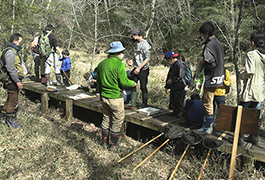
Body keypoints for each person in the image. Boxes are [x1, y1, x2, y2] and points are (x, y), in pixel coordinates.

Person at [96, 41, 137, 151]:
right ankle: (114, 146)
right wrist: (133, 83)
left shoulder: (101, 64)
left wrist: (100, 93)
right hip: (115, 97)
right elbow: (124, 82)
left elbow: (98, 81)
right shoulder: (119, 65)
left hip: (104, 96)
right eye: (122, 52)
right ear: (118, 53)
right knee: (117, 120)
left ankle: (104, 143)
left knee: (106, 118)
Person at [195, 21, 225, 135]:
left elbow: (210, 62)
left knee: (207, 102)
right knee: (211, 101)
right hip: (219, 77)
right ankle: (208, 125)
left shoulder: (209, 45)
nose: (202, 36)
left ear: (206, 33)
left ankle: (207, 127)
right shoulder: (218, 43)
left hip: (211, 77)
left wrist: (202, 62)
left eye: (203, 34)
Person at [238, 30, 265, 145]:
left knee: (243, 112)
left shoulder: (251, 54)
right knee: (255, 113)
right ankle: (254, 136)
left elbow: (249, 71)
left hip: (251, 89)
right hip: (260, 89)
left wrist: (241, 75)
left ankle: (240, 139)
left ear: (253, 43)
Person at [0, 33, 24, 127]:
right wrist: (17, 81)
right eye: (20, 42)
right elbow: (10, 68)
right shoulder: (10, 52)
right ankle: (10, 121)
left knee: (10, 99)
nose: (21, 44)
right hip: (11, 80)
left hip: (11, 79)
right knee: (13, 101)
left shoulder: (13, 51)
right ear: (15, 41)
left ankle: (2, 116)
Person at [126, 28, 151, 108]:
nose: (131, 38)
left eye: (132, 36)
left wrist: (139, 68)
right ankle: (132, 102)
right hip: (136, 67)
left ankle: (145, 103)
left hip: (143, 69)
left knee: (143, 86)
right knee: (132, 84)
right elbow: (136, 54)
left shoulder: (145, 44)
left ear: (136, 35)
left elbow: (147, 58)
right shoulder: (135, 44)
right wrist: (132, 60)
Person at [164, 51, 186, 118]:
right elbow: (169, 76)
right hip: (174, 86)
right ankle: (175, 112)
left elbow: (181, 76)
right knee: (173, 100)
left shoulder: (180, 65)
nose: (168, 61)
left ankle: (180, 114)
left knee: (179, 101)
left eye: (168, 60)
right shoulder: (173, 65)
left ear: (171, 58)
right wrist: (167, 86)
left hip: (180, 86)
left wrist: (172, 80)